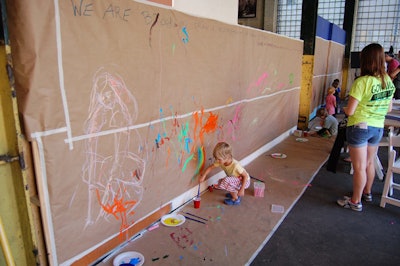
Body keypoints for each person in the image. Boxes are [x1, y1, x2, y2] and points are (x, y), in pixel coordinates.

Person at [337, 43, 395, 211]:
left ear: (366, 60)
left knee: (359, 167)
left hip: (360, 127)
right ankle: (367, 193)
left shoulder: (362, 82)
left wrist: (345, 109)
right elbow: (389, 108)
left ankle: (355, 201)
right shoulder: (388, 81)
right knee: (369, 163)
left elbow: (351, 111)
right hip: (377, 127)